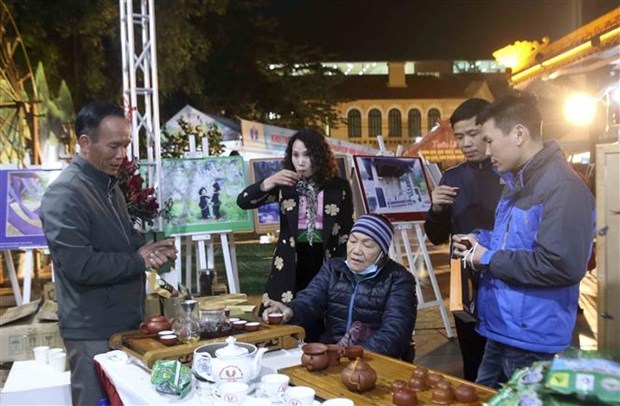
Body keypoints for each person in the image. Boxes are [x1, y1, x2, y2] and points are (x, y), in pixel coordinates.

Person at [452, 93, 595, 388]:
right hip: (503, 329)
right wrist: (478, 241)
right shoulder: (517, 182)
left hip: (532, 340)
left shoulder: (563, 188)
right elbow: (514, 243)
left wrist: (486, 258)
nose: (484, 149)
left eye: (489, 140)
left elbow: (560, 265)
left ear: (519, 133)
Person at [40, 101, 178, 405]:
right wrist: (137, 260)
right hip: (91, 329)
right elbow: (81, 266)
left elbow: (121, 241)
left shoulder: (108, 187)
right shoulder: (65, 194)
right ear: (85, 143)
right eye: (114, 146)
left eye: (125, 145)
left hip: (124, 321)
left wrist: (149, 247)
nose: (121, 156)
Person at [237, 129, 354, 331]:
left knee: (321, 324)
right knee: (281, 324)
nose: (301, 162)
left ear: (320, 156)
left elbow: (346, 232)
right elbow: (244, 201)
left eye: (307, 155)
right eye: (295, 155)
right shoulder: (286, 184)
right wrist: (270, 181)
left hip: (325, 263)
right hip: (289, 263)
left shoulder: (339, 187)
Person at [262, 214, 417, 361]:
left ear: (382, 252)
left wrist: (348, 354)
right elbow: (310, 300)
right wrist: (290, 311)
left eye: (367, 245)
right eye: (353, 241)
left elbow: (395, 334)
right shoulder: (334, 269)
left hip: (374, 357)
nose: (356, 250)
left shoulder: (399, 279)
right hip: (332, 351)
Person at [424, 98, 503, 382]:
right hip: (465, 286)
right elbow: (435, 237)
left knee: (507, 364)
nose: (466, 143)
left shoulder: (509, 172)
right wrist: (435, 209)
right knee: (473, 362)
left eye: (473, 134)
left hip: (504, 281)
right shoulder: (452, 177)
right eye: (460, 137)